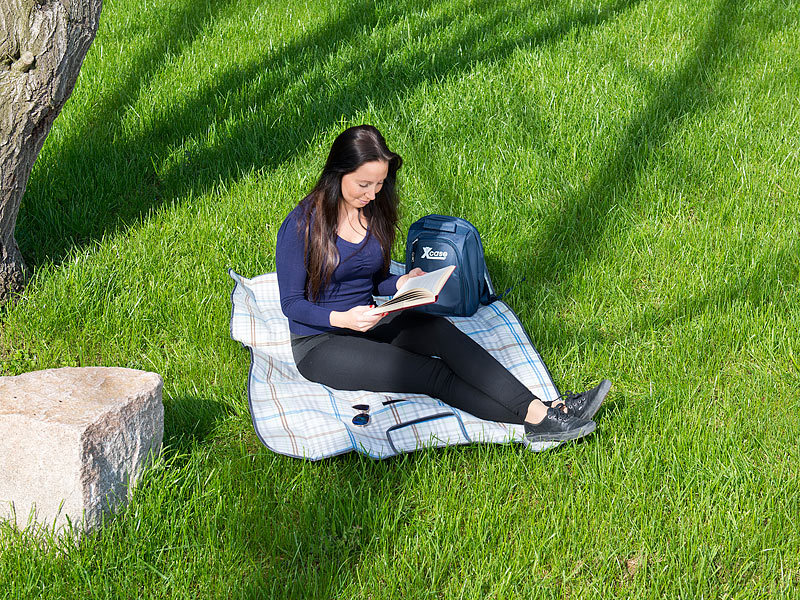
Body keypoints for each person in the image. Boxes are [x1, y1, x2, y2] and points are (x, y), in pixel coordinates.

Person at [276, 124, 610, 446]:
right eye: (364, 184)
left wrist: (402, 282)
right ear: (338, 172)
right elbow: (291, 304)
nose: (373, 193)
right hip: (320, 342)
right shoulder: (301, 224)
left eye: (379, 184)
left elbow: (374, 279)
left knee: (439, 330)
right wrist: (344, 319)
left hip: (368, 319)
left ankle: (547, 411)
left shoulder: (373, 211)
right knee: (429, 373)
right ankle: (544, 418)